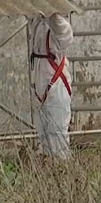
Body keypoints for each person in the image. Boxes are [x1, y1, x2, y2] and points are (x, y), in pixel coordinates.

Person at [28, 12, 74, 160]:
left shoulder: (61, 27)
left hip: (56, 84)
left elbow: (59, 26)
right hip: (41, 81)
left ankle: (62, 169)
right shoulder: (37, 23)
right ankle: (48, 168)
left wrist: (49, 7)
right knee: (43, 132)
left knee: (58, 132)